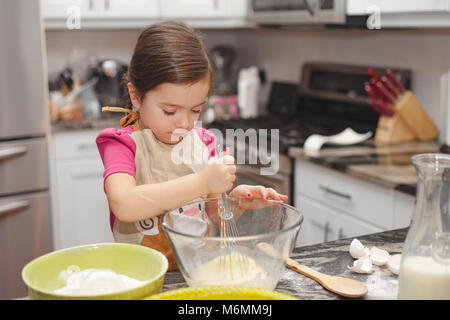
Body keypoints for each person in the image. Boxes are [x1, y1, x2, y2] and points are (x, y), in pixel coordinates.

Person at [96, 21, 288, 270]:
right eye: (169, 110)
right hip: (143, 278)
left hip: (199, 271)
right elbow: (125, 205)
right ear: (136, 96)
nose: (185, 123)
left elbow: (212, 214)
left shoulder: (203, 143)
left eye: (196, 109)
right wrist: (203, 182)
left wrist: (236, 203)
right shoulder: (122, 144)